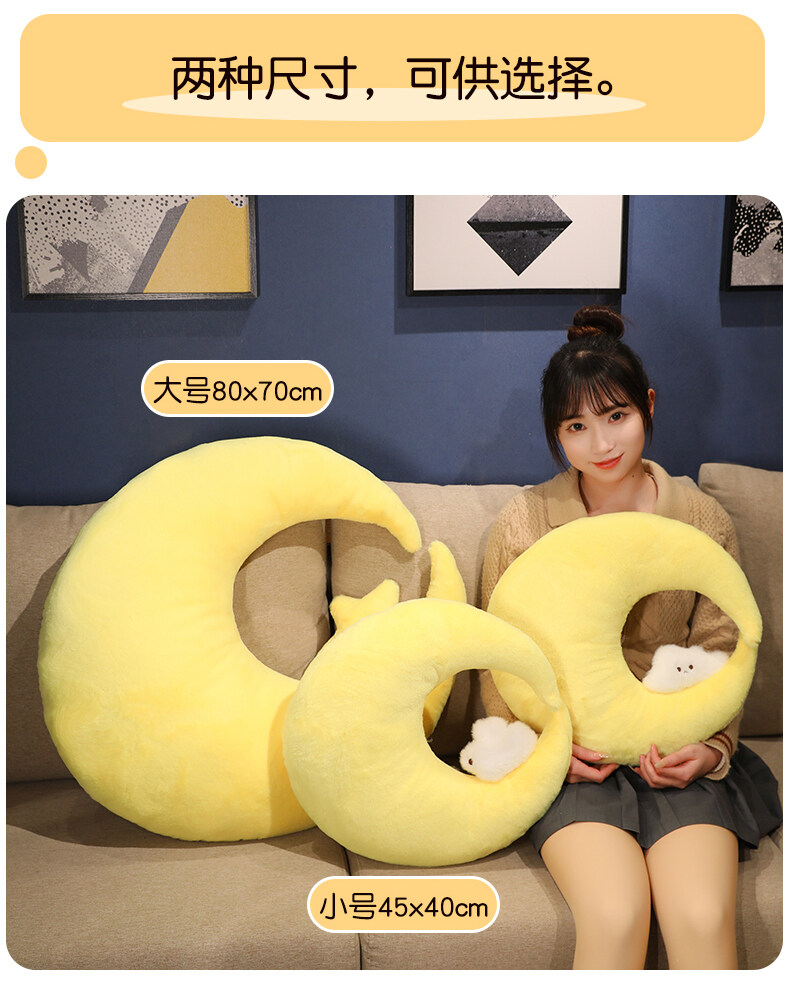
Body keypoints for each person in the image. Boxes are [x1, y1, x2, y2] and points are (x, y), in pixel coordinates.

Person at [480, 305, 781, 970]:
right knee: (615, 917)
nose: (602, 443)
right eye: (577, 427)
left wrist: (710, 748)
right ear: (557, 435)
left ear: (647, 405)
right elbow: (498, 661)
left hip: (675, 751)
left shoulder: (701, 520)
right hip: (575, 760)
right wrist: (546, 750)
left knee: (700, 917)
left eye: (616, 416)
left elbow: (725, 649)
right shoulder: (524, 524)